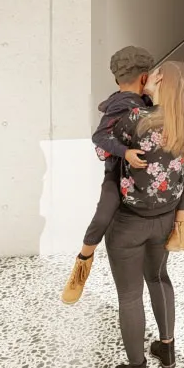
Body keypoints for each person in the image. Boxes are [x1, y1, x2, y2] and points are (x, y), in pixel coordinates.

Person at [105, 59, 184, 368]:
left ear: (161, 81)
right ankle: (167, 349)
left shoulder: (135, 120)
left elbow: (104, 147)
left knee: (129, 297)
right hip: (164, 220)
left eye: (155, 74)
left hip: (129, 223)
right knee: (159, 277)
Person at [62, 45, 156, 306]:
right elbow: (99, 136)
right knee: (104, 212)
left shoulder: (145, 102)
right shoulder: (123, 104)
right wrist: (125, 153)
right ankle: (82, 263)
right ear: (145, 77)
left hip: (143, 175)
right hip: (117, 173)